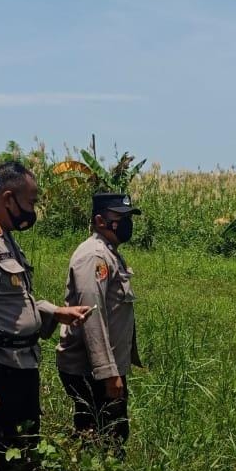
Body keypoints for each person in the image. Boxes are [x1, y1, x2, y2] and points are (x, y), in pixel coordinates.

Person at [0, 161, 90, 471]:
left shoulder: (4, 238)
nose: (33, 210)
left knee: (24, 453)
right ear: (8, 199)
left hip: (21, 365)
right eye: (31, 201)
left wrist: (55, 312)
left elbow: (12, 302)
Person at [55, 192, 142, 449]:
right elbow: (91, 316)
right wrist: (108, 373)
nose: (126, 223)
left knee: (108, 435)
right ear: (100, 221)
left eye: (128, 217)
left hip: (103, 367)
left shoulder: (108, 252)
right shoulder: (94, 256)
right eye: (120, 217)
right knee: (103, 439)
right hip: (92, 369)